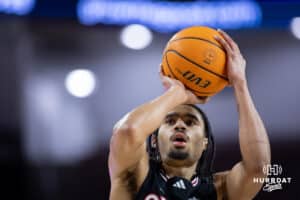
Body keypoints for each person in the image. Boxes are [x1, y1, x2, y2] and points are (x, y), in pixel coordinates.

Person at [108, 29, 271, 200]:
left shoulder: (220, 190)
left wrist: (240, 83)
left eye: (191, 122)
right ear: (154, 140)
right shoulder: (135, 177)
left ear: (204, 143)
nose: (180, 125)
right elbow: (128, 131)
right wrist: (177, 93)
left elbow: (259, 168)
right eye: (169, 121)